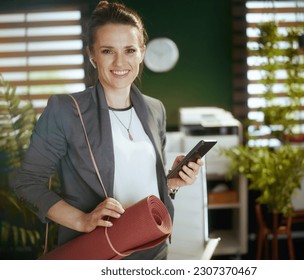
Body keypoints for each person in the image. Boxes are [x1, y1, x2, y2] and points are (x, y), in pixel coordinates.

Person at [12, 1, 203, 260]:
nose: (120, 62)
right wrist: (82, 220)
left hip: (154, 248)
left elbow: (139, 180)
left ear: (142, 53)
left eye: (130, 50)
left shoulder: (154, 109)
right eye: (107, 51)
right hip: (101, 251)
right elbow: (26, 182)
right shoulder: (65, 110)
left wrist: (170, 183)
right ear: (92, 54)